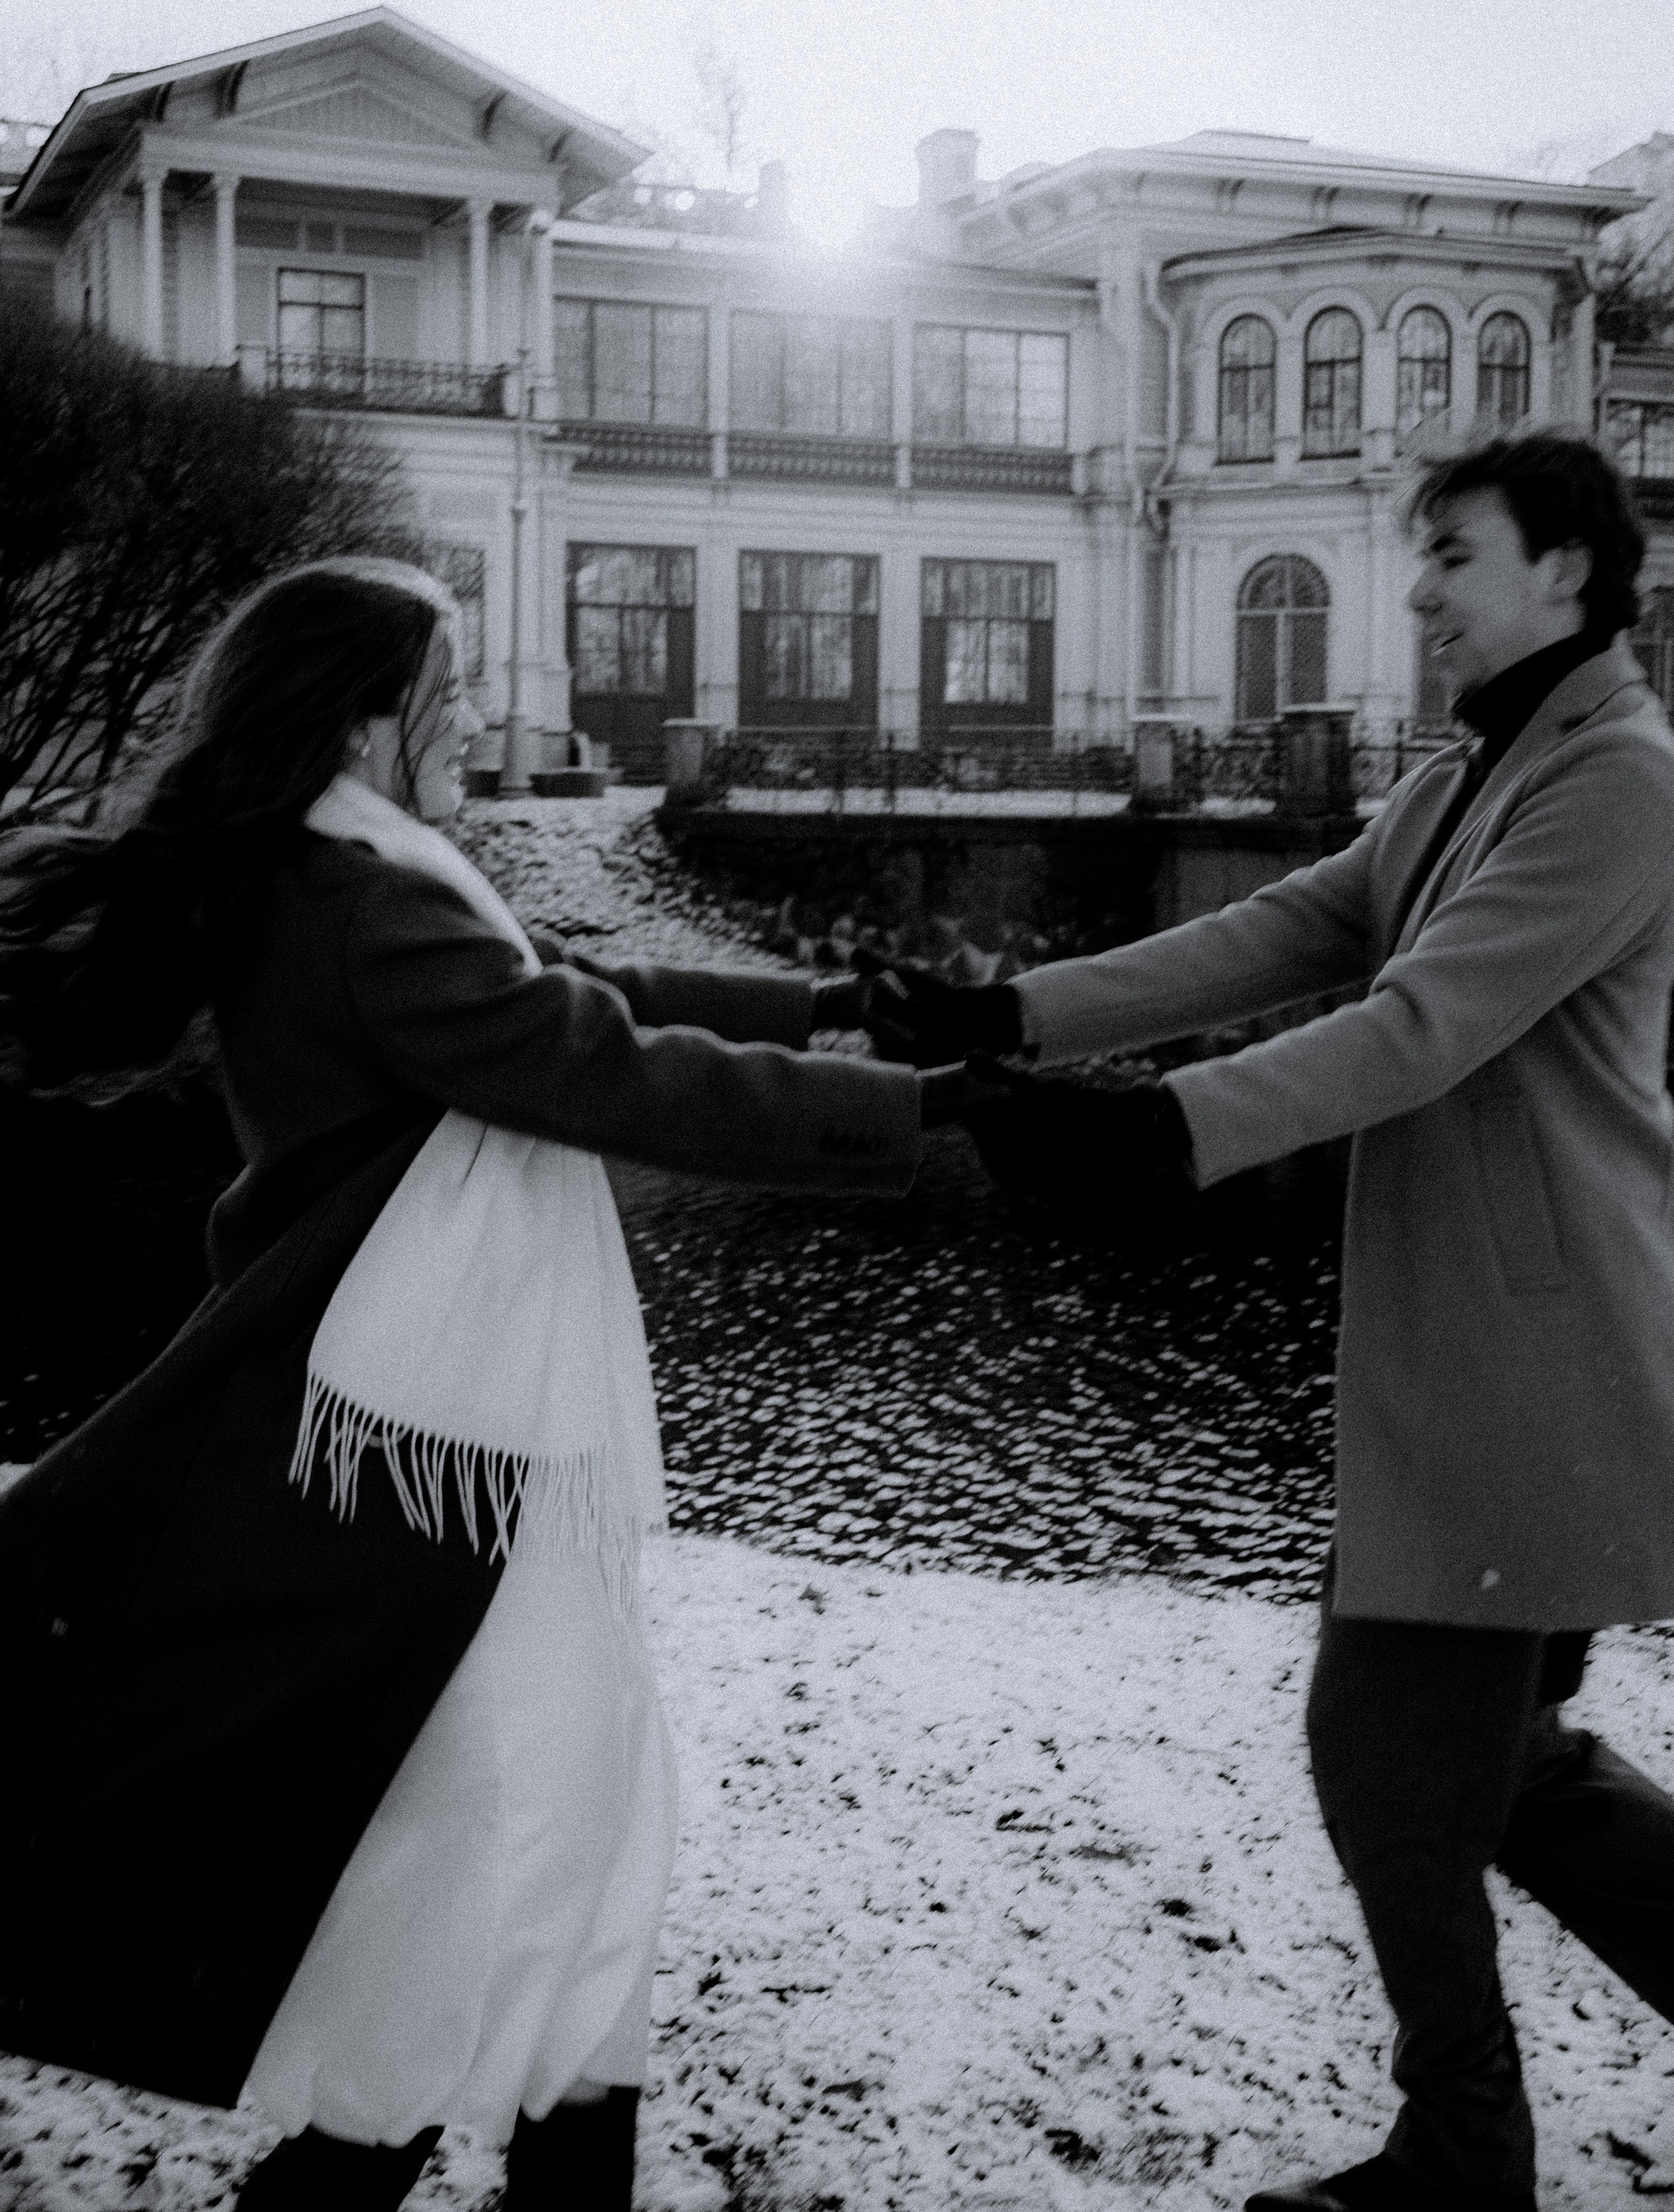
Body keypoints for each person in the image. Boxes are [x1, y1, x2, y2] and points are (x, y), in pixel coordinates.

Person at [0, 555, 959, 2212]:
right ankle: (410, 2158)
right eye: (449, 694)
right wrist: (920, 1115)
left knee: (511, 1812)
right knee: (547, 1810)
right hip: (433, 1424)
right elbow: (596, 1064)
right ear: (366, 723)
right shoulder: (363, 899)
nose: (475, 720)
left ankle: (386, 2155)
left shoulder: (352, 873)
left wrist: (828, 1003)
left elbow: (574, 999)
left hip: (425, 1407)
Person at [873, 432, 1674, 2212]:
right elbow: (1272, 935)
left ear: (1565, 568)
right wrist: (1010, 1015)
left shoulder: (1620, 780)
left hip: (1535, 1366)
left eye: (1453, 554)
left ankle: (1462, 2157)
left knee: (1388, 1762)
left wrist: (1165, 1130)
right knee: (1500, 1775)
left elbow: (1421, 1026)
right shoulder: (1472, 774)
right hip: (1477, 1358)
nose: (1419, 591)